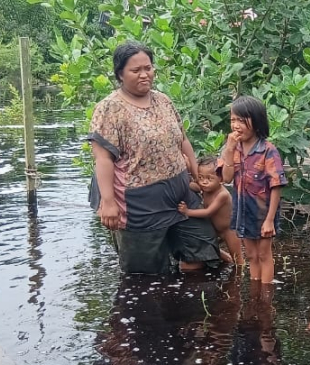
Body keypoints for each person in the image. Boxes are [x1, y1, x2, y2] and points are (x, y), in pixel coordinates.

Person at [88, 41, 221, 274]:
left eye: (148, 68)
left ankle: (187, 305)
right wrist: (108, 202)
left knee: (201, 249)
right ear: (120, 73)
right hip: (139, 203)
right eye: (135, 70)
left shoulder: (163, 100)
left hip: (180, 195)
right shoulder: (109, 109)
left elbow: (183, 140)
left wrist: (196, 175)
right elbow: (103, 159)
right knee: (145, 275)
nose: (144, 75)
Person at [220, 96, 287, 284]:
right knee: (250, 254)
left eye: (242, 120)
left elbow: (276, 186)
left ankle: (266, 296)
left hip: (263, 213)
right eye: (233, 120)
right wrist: (228, 150)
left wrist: (270, 220)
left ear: (256, 121)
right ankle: (255, 290)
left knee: (264, 254)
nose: (236, 125)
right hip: (243, 210)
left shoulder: (268, 150)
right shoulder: (234, 149)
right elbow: (226, 177)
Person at [178, 156, 244, 265]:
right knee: (210, 246)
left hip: (229, 231)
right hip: (214, 229)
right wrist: (187, 167)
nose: (204, 182)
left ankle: (239, 277)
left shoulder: (222, 195)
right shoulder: (205, 187)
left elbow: (208, 212)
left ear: (221, 179)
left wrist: (187, 212)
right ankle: (226, 259)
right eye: (201, 177)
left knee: (238, 259)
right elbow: (191, 185)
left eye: (209, 178)